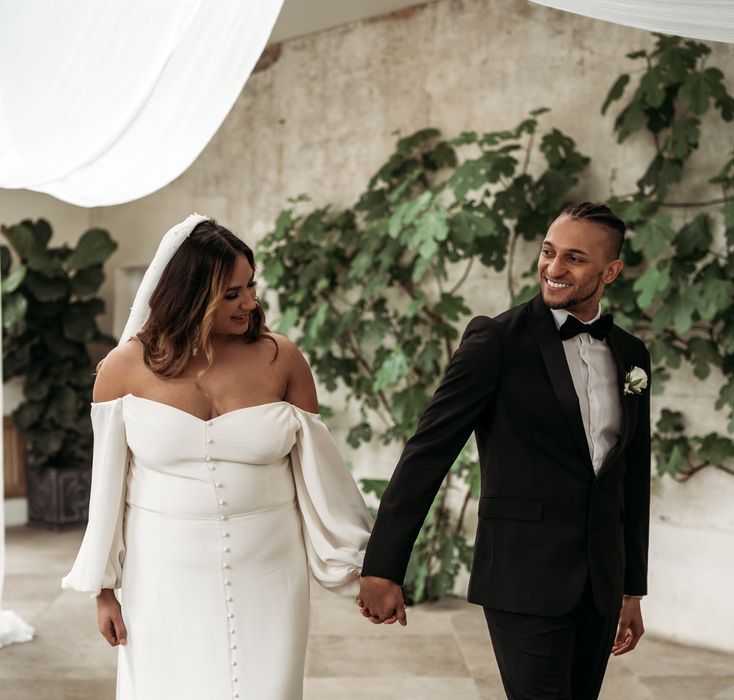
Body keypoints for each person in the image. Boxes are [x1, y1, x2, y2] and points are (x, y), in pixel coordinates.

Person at [62, 214, 372, 700]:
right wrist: (104, 590)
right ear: (188, 295)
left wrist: (362, 567)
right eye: (231, 293)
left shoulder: (281, 358)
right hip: (161, 575)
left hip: (270, 568)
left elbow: (324, 480)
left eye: (250, 286)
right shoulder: (121, 369)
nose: (249, 302)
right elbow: (108, 490)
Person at [357, 202, 651, 700]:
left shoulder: (630, 354)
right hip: (523, 577)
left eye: (575, 259)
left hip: (600, 583)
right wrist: (383, 566)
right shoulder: (495, 341)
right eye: (548, 252)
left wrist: (631, 588)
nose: (554, 268)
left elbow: (632, 474)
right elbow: (428, 451)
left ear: (611, 271)